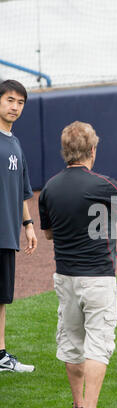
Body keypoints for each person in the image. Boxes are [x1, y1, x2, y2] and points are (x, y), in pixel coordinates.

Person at [39, 121, 117, 408]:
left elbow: (48, 233)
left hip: (65, 277)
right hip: (97, 278)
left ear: (65, 151)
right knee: (99, 345)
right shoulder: (102, 184)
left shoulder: (50, 187)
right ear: (92, 150)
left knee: (72, 343)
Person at [0, 80, 37, 373]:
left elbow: (22, 190)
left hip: (8, 233)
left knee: (1, 298)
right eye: (10, 100)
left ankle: (0, 355)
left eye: (20, 102)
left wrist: (28, 224)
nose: (15, 106)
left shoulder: (15, 142)